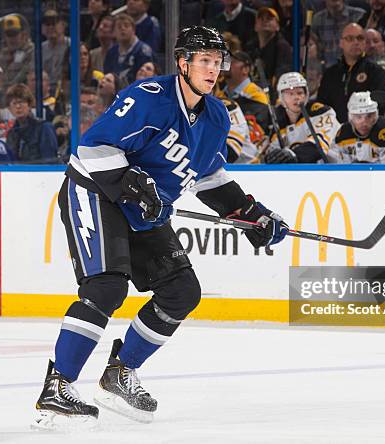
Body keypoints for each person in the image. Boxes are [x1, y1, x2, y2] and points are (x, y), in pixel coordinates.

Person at [33, 26, 289, 429]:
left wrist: (251, 214)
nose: (212, 69)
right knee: (107, 286)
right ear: (182, 63)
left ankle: (120, 371)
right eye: (204, 60)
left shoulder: (217, 116)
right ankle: (57, 387)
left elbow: (207, 178)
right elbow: (92, 147)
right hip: (96, 191)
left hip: (144, 208)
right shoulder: (147, 98)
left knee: (181, 291)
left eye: (217, 62)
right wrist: (133, 183)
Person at [317, 23, 385, 123]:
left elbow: (380, 106)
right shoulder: (330, 74)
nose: (356, 42)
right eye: (350, 38)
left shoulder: (376, 72)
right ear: (341, 43)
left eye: (360, 38)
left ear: (364, 43)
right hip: (334, 133)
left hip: (365, 131)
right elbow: (322, 107)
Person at [264, 72, 340, 164]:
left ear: (306, 94)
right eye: (290, 94)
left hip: (333, 171)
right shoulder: (277, 124)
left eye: (300, 93)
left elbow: (319, 145)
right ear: (281, 97)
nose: (296, 97)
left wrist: (293, 155)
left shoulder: (321, 112)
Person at [5, 84, 58, 163]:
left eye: (21, 102)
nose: (18, 106)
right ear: (9, 108)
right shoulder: (11, 134)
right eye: (14, 103)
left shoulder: (44, 128)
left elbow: (50, 162)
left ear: (29, 105)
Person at [311, 0, 366, 67]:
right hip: (327, 70)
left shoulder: (359, 15)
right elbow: (315, 48)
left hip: (356, 69)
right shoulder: (317, 19)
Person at [103, 12, 154, 85]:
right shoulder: (111, 52)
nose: (122, 29)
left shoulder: (143, 51)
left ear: (134, 30)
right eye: (119, 27)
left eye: (126, 26)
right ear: (114, 32)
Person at [0, 14, 35, 90]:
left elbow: (24, 76)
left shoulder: (32, 51)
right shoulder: (1, 56)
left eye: (14, 34)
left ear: (23, 35)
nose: (12, 39)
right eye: (9, 34)